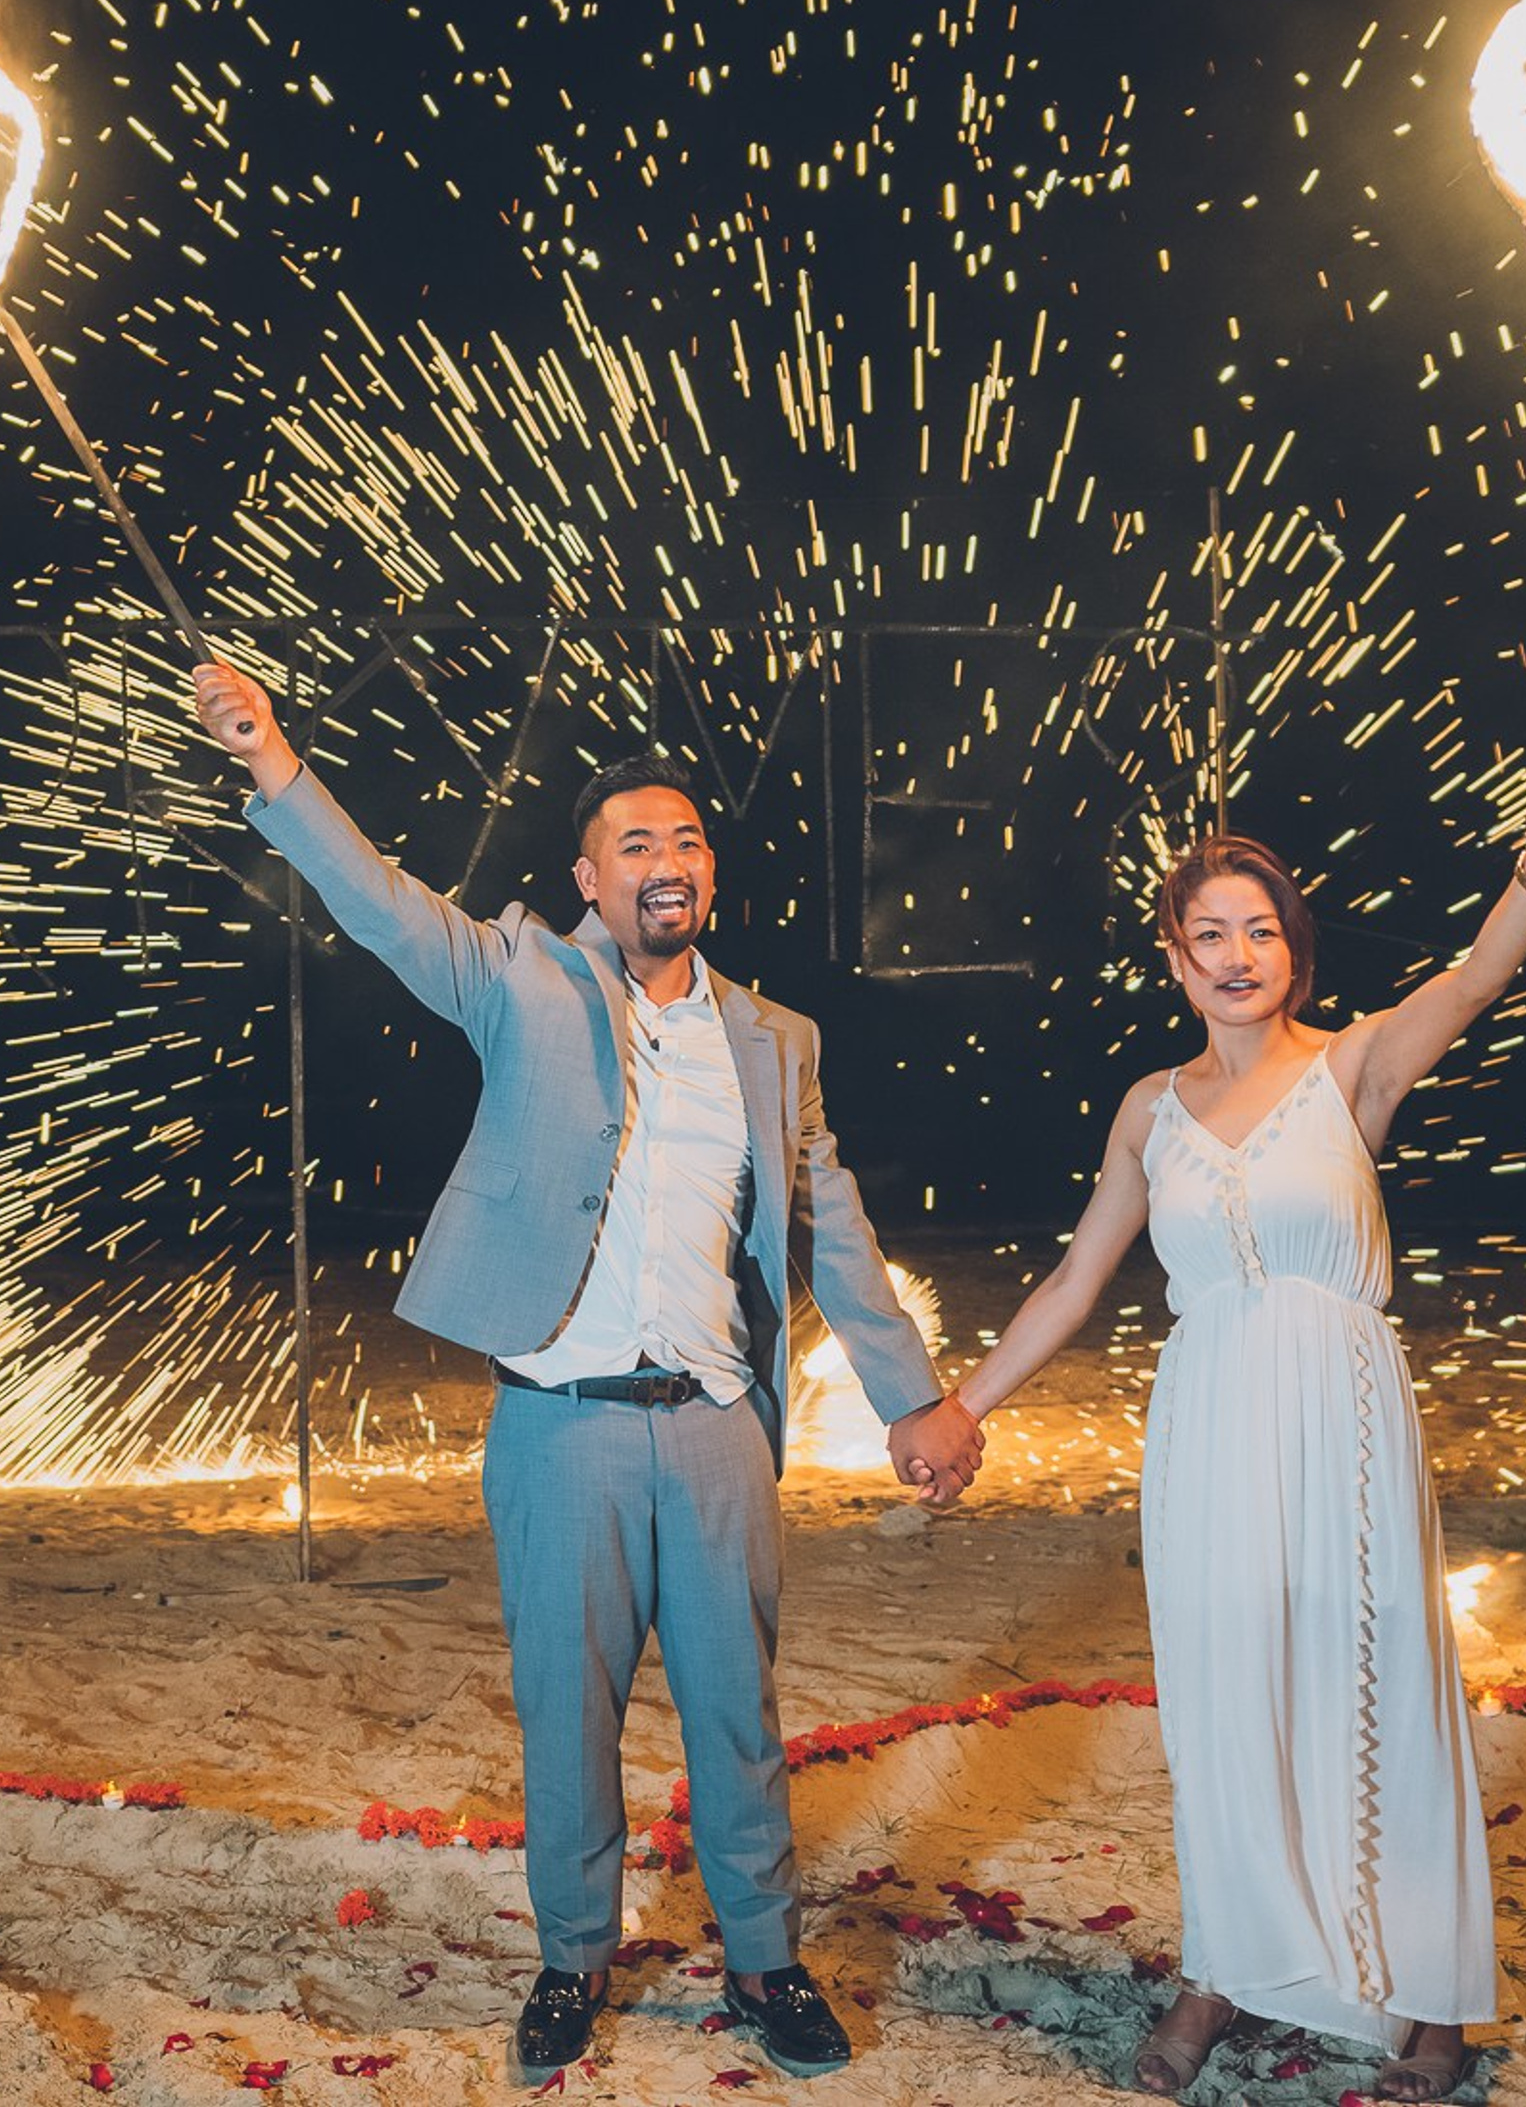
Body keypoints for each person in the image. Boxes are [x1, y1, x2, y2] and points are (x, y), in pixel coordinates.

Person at [192, 659, 983, 2083]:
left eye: (686, 842)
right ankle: (571, 1964)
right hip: (560, 1429)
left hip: (719, 1426)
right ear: (587, 878)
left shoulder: (774, 1042)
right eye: (636, 844)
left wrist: (910, 1396)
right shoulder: (519, 979)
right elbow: (379, 901)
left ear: (710, 879)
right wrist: (273, 757)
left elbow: (831, 1229)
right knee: (567, 1708)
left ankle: (762, 1962)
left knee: (737, 1712)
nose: (666, 862)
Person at [943, 751, 1526, 2101]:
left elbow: (1477, 975)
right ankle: (1228, 1967)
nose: (1237, 955)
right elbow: (1076, 1280)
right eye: (1210, 937)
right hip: (1209, 1428)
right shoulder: (1150, 1110)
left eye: (1260, 931)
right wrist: (960, 1406)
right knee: (1227, 1699)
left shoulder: (1352, 1068)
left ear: (1294, 951)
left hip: (1345, 1412)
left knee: (1383, 1688)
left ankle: (1429, 2003)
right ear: (1176, 961)